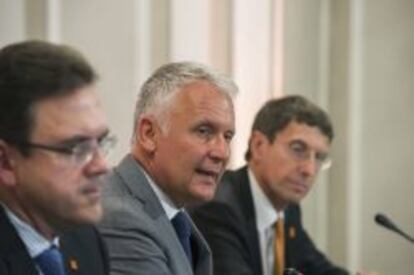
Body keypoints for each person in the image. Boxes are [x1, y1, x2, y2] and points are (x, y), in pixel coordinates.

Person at [191, 95, 367, 275]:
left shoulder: (289, 208)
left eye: (319, 157)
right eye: (298, 149)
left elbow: (315, 266)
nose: (310, 169)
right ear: (259, 145)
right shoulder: (218, 207)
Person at [98, 62, 237, 275]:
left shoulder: (173, 210)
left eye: (227, 137)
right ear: (149, 134)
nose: (222, 153)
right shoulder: (121, 217)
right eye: (203, 131)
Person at [0, 40, 114, 275]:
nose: (102, 166)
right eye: (75, 148)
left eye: (100, 142)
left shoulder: (85, 240)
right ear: (5, 162)